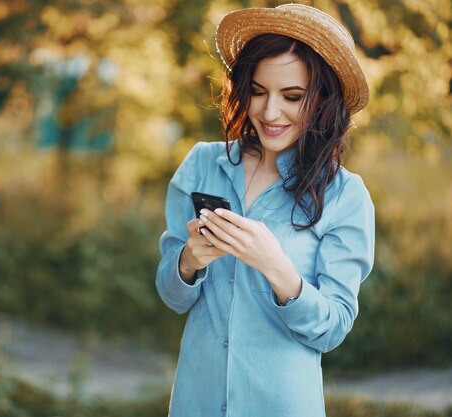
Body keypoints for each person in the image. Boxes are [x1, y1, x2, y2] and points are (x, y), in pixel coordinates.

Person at [156, 4, 375, 417]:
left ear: (324, 100)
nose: (269, 112)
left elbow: (333, 328)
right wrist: (189, 261)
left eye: (292, 96)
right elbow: (172, 295)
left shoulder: (346, 195)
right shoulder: (202, 165)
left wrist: (277, 268)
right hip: (195, 403)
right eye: (258, 91)